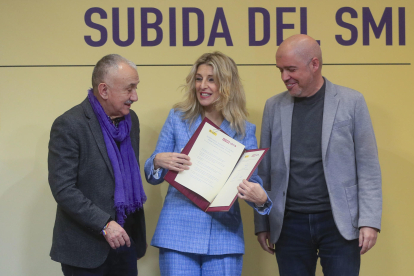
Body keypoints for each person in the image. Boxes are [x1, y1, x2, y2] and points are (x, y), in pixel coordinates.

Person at [254, 34, 382, 276]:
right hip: (288, 223)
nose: (284, 77)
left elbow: (368, 168)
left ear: (315, 64)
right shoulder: (273, 106)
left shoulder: (352, 102)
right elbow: (264, 171)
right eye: (280, 70)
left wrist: (369, 221)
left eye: (291, 69)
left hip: (340, 223)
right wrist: (262, 222)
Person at [144, 52, 273, 276]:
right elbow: (152, 176)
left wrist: (262, 200)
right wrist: (156, 161)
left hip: (224, 237)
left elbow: (250, 181)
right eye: (199, 78)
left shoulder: (244, 129)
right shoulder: (177, 117)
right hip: (178, 233)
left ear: (227, 84)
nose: (202, 85)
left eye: (211, 79)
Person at [48, 54, 147, 276]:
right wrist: (104, 224)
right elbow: (63, 189)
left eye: (136, 88)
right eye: (129, 89)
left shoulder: (133, 121)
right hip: (86, 251)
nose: (135, 96)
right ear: (104, 90)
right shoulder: (70, 125)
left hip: (125, 243)